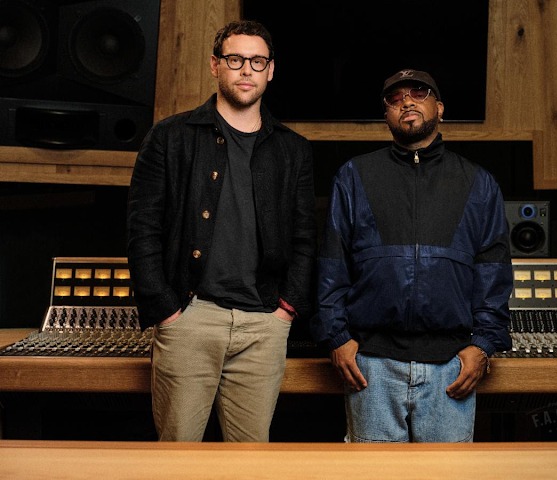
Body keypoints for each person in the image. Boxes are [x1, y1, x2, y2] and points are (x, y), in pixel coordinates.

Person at [126, 20, 317, 442]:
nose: (246, 69)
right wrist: (167, 311)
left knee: (250, 463)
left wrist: (285, 312)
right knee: (177, 458)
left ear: (271, 70)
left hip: (263, 326)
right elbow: (142, 231)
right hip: (190, 319)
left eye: (257, 61)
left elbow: (305, 238)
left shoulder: (293, 149)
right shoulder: (169, 137)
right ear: (215, 65)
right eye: (235, 59)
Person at [310, 69, 513, 443]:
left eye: (419, 93)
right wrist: (336, 337)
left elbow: (493, 272)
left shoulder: (478, 182)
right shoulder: (354, 176)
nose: (406, 101)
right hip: (371, 365)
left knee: (447, 472)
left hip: (451, 365)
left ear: (440, 108)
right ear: (386, 115)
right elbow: (332, 265)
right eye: (394, 98)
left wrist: (482, 346)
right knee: (374, 472)